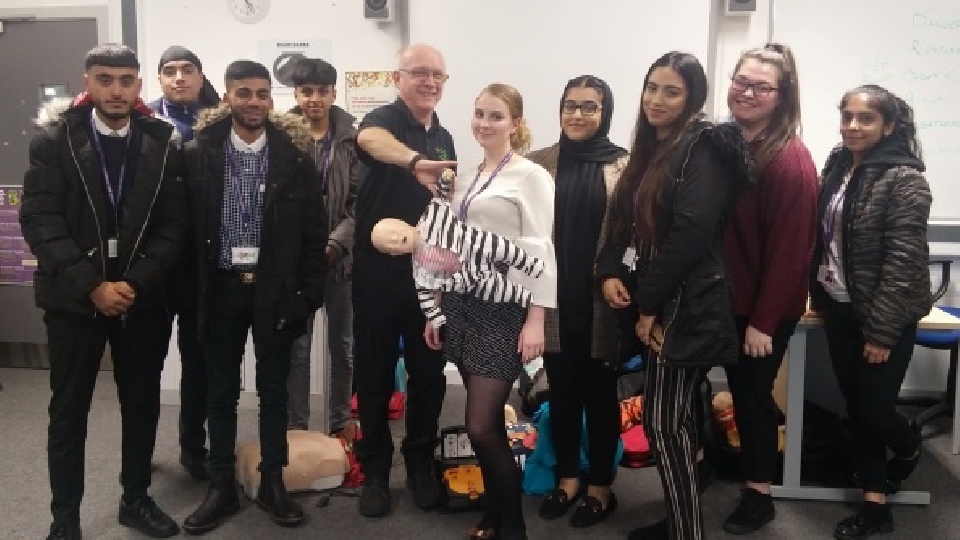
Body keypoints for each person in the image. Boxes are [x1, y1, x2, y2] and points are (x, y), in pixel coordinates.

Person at [20, 43, 186, 540]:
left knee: (141, 404)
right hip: (73, 300)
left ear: (139, 85)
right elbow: (40, 220)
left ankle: (135, 500)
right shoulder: (54, 140)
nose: (116, 90)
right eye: (105, 79)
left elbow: (174, 227)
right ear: (88, 82)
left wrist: (132, 283)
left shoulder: (162, 140)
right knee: (68, 410)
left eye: (126, 80)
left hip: (141, 299)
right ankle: (64, 519)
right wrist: (91, 285)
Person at [597, 51, 752, 540]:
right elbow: (623, 220)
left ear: (693, 99)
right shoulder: (651, 148)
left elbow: (690, 233)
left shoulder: (701, 147)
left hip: (688, 305)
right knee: (672, 420)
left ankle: (686, 532)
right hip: (664, 299)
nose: (656, 100)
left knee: (666, 424)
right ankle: (683, 525)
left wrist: (648, 305)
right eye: (651, 88)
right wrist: (606, 270)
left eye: (671, 91)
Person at [180, 60, 328, 533]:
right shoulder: (198, 152)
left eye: (262, 94)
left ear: (271, 99)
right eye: (243, 93)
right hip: (221, 288)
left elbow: (314, 232)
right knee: (220, 391)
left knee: (273, 393)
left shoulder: (294, 156)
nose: (253, 102)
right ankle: (221, 483)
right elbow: (181, 229)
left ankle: (272, 481)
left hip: (276, 293)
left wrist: (307, 295)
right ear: (226, 97)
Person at [425, 83, 556, 540]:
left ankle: (514, 526)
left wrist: (537, 318)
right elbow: (447, 246)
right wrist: (435, 308)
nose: (484, 122)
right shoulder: (463, 177)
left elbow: (542, 251)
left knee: (481, 425)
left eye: (496, 116)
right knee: (488, 428)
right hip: (461, 304)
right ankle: (496, 515)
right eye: (479, 113)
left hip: (505, 309)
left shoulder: (531, 176)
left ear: (515, 124)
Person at [811, 85, 931, 540]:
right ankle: (876, 506)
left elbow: (903, 263)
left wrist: (880, 333)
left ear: (890, 127)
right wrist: (819, 292)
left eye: (865, 119)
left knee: (875, 411)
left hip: (886, 314)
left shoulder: (905, 179)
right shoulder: (838, 165)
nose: (852, 127)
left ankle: (909, 442)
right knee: (857, 408)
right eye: (847, 117)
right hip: (840, 307)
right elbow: (825, 235)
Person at [352, 43, 457, 518]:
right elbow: (369, 142)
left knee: (429, 375)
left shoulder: (449, 138)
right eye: (419, 73)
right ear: (399, 78)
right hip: (378, 276)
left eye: (437, 75)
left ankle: (418, 461)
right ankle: (374, 468)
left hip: (428, 277)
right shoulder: (384, 120)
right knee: (373, 374)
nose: (429, 82)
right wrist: (415, 162)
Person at [719, 43, 819, 535]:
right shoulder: (733, 142)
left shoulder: (789, 162)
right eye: (741, 81)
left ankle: (760, 495)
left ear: (782, 96)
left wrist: (761, 322)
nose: (747, 92)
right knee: (737, 395)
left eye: (762, 86)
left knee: (752, 399)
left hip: (759, 310)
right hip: (726, 299)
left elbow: (791, 253)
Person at [526, 75, 628, 528]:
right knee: (561, 394)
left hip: (603, 304)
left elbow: (634, 235)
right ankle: (567, 479)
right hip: (552, 301)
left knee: (601, 398)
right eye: (570, 105)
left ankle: (601, 488)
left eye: (590, 106)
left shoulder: (627, 167)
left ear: (605, 112)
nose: (578, 114)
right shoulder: (537, 164)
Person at [147, 44, 220, 481]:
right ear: (159, 78)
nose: (178, 78)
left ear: (199, 74)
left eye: (186, 70)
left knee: (198, 363)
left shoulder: (219, 121)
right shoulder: (144, 123)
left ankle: (195, 449)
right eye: (169, 71)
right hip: (154, 264)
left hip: (201, 263)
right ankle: (140, 451)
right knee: (145, 362)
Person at [287, 57, 357, 435]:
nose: (314, 99)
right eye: (306, 91)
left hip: (340, 262)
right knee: (297, 350)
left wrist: (334, 243)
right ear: (297, 94)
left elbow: (359, 203)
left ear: (333, 93)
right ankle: (296, 428)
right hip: (297, 263)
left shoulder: (351, 138)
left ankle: (340, 425)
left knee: (342, 349)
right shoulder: (282, 137)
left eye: (322, 91)